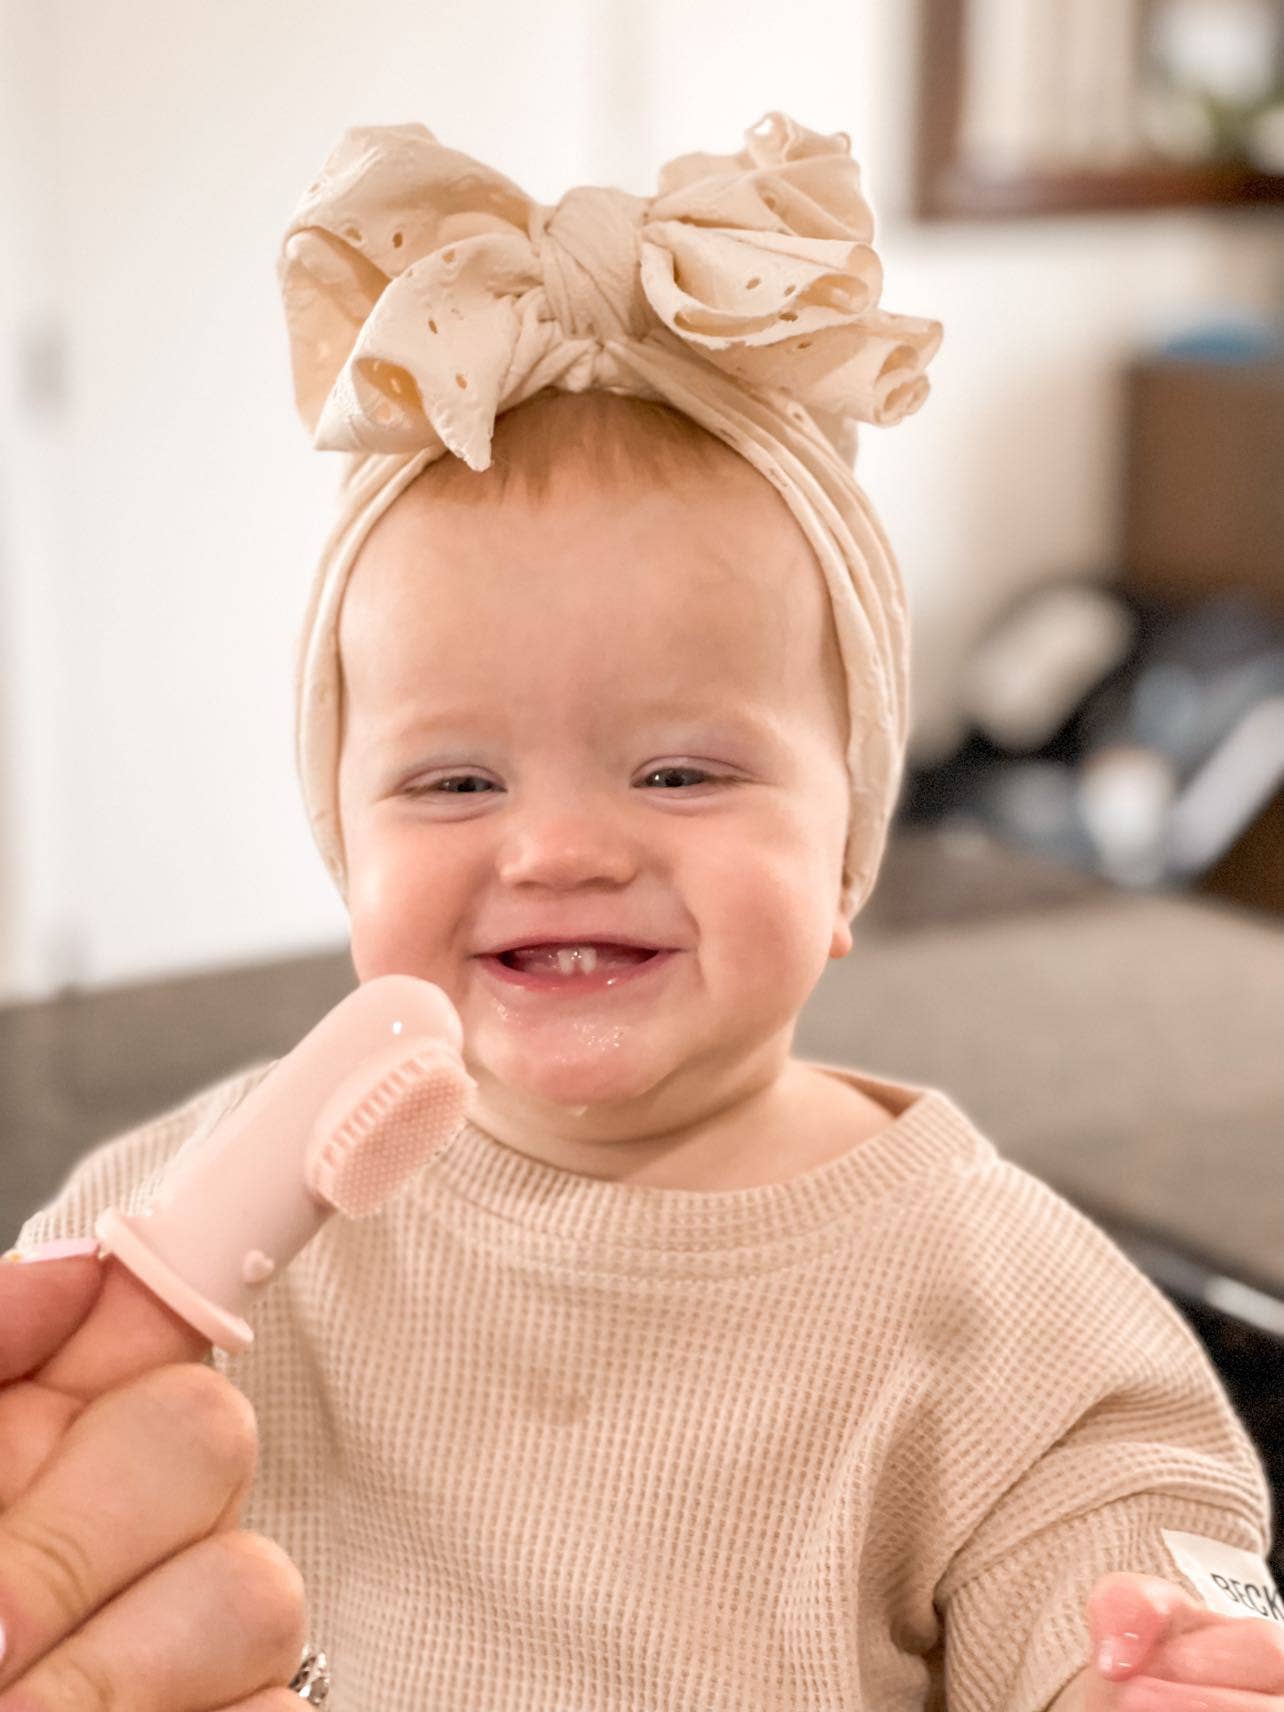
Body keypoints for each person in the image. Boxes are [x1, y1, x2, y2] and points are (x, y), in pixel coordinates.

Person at [3, 111, 1280, 1712]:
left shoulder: (998, 1309)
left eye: (678, 776)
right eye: (455, 784)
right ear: (342, 842)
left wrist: (1153, 1673)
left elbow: (1134, 1567)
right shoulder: (180, 1220)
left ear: (849, 852)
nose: (558, 850)